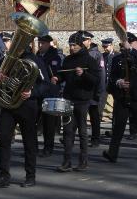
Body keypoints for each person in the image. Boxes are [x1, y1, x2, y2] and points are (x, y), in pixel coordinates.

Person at [0, 42, 51, 188]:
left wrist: (32, 92)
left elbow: (46, 84)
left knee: (29, 142)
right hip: (8, 105)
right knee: (4, 140)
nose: (16, 44)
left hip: (27, 106)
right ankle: (4, 175)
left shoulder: (35, 60)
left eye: (19, 40)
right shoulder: (8, 59)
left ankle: (30, 175)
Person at [102, 33, 137, 163]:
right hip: (122, 96)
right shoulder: (117, 58)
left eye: (130, 43)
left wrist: (132, 50)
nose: (125, 46)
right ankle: (112, 153)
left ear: (136, 43)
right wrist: (118, 82)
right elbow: (112, 78)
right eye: (124, 44)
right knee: (118, 125)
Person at [54, 33, 100, 172]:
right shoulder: (67, 60)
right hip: (68, 99)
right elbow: (63, 74)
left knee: (82, 131)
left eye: (74, 45)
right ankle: (66, 161)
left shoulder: (89, 60)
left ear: (80, 45)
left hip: (82, 100)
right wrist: (57, 78)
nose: (72, 47)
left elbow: (96, 80)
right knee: (67, 131)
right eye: (70, 45)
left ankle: (83, 160)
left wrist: (84, 74)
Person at [37, 35, 62, 157]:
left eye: (42, 43)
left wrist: (56, 77)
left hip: (50, 92)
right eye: (39, 43)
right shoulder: (37, 55)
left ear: (48, 44)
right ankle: (34, 147)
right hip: (38, 91)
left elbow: (57, 73)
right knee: (36, 121)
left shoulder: (54, 57)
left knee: (49, 123)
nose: (40, 45)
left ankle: (48, 147)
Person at [79, 31, 105, 147]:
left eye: (84, 40)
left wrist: (99, 91)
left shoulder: (97, 54)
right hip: (82, 89)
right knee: (80, 115)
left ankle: (95, 139)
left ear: (89, 41)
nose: (82, 42)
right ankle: (80, 138)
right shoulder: (80, 53)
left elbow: (101, 74)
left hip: (93, 90)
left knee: (94, 116)